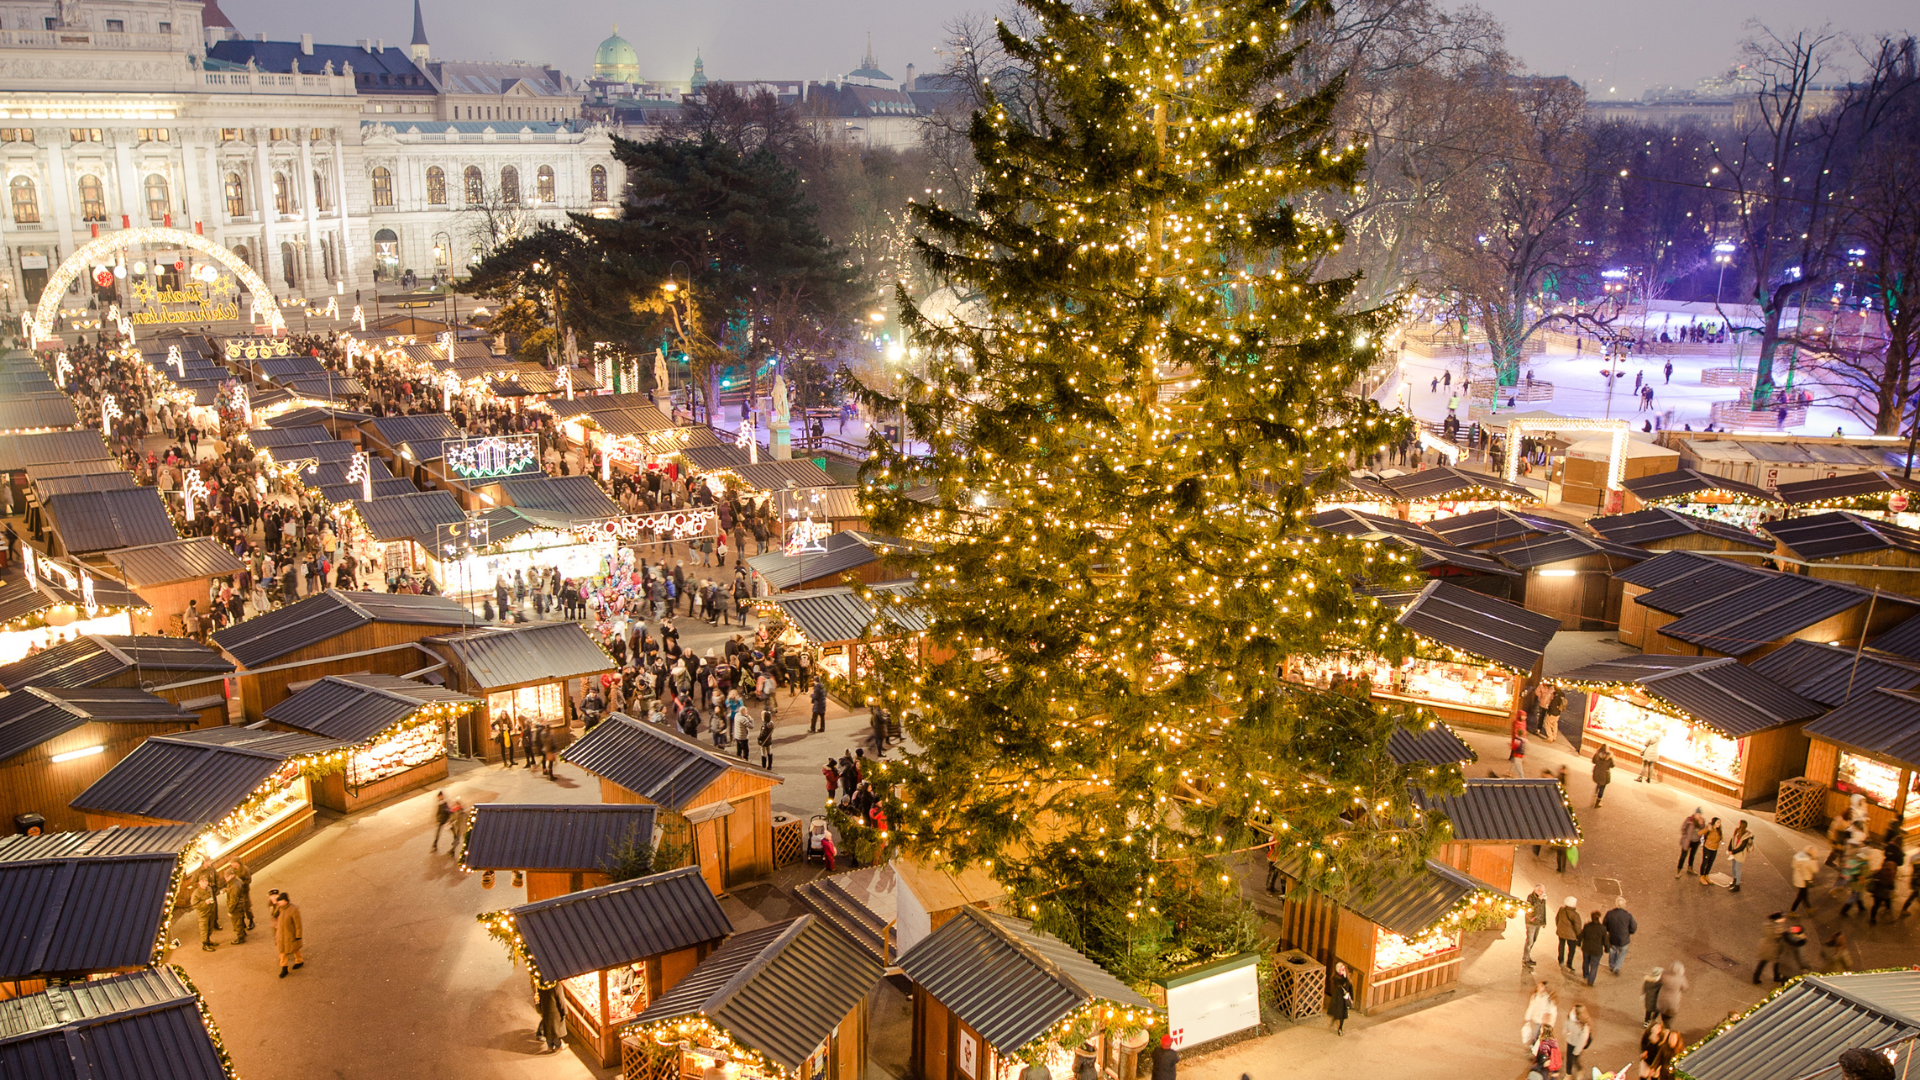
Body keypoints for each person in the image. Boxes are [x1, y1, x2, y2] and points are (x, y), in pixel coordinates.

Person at [1604, 896, 1637, 975]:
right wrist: (1629, 932)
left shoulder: (1609, 914)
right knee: (1622, 953)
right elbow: (1633, 927)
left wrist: (1609, 930)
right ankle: (1617, 967)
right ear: (1624, 905)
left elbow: (1605, 925)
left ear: (1616, 904)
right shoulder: (1628, 915)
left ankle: (1612, 966)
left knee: (1612, 952)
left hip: (1612, 938)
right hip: (1624, 939)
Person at [274, 892, 304, 978]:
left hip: (290, 934)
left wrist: (298, 935)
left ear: (286, 901)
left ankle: (299, 961)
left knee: (295, 948)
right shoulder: (280, 908)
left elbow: (298, 924)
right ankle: (284, 967)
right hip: (281, 934)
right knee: (282, 951)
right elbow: (275, 916)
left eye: (280, 900)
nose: (279, 902)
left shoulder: (293, 910)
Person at [225, 861, 253, 944]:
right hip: (240, 903)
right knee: (240, 919)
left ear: (232, 875)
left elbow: (234, 899)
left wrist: (230, 911)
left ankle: (240, 937)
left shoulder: (234, 885)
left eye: (227, 876)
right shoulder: (236, 881)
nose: (225, 878)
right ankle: (242, 933)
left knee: (236, 922)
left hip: (236, 906)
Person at [1562, 1004, 1593, 1080]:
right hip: (1570, 1041)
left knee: (1575, 1060)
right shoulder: (1570, 1017)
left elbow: (1582, 1040)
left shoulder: (1584, 1026)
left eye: (1574, 1010)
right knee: (1569, 1059)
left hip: (1577, 1045)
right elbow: (1566, 1025)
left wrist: (1577, 1051)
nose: (1572, 1011)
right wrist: (1565, 1032)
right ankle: (1568, 1074)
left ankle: (1580, 1070)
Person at [535, 981, 567, 1053]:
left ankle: (550, 1046)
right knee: (556, 1030)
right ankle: (558, 1045)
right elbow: (561, 1000)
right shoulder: (556, 986)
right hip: (555, 1011)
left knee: (548, 1028)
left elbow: (539, 997)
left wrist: (540, 1009)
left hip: (545, 1009)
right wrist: (564, 1011)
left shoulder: (541, 985)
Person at [1577, 910, 1606, 985]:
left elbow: (1581, 935)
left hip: (1586, 948)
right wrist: (1607, 948)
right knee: (1594, 966)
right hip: (1597, 950)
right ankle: (1591, 981)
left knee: (1586, 962)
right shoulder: (1602, 928)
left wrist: (1579, 943)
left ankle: (1585, 975)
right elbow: (1605, 939)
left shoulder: (1587, 926)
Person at [1522, 884, 1547, 966]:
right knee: (1530, 941)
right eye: (1540, 891)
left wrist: (1544, 921)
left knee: (1534, 940)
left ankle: (1528, 956)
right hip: (1531, 923)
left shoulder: (1542, 898)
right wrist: (1539, 900)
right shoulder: (1531, 897)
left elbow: (1543, 910)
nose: (1542, 893)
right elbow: (1532, 908)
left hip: (1538, 922)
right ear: (1535, 890)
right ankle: (1525, 958)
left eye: (1543, 891)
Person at [1554, 895, 1581, 971]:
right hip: (1571, 935)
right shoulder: (1575, 915)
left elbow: (1557, 919)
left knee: (1561, 945)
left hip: (1561, 932)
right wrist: (1579, 936)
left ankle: (1560, 959)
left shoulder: (1561, 909)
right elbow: (1577, 927)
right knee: (1572, 949)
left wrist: (1559, 927)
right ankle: (1569, 963)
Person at [1675, 808, 1705, 876]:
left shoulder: (1702, 820)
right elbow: (1683, 828)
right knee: (1683, 856)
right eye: (1698, 814)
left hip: (1696, 841)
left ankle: (1690, 868)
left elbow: (1703, 830)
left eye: (1700, 814)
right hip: (1688, 841)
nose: (1699, 816)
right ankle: (1679, 870)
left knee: (1692, 855)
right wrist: (1685, 836)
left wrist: (1701, 824)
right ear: (1695, 814)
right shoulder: (1689, 820)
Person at [1791, 844, 1821, 911]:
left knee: (1804, 895)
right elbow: (1815, 870)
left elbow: (1793, 865)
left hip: (1797, 878)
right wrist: (1814, 860)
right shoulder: (1810, 861)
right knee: (1801, 896)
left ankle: (1809, 908)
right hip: (1804, 880)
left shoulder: (1799, 855)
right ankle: (1792, 911)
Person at [1656, 960, 1686, 1025]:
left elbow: (1659, 982)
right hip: (1673, 1001)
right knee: (1669, 1018)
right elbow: (1685, 987)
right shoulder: (1681, 979)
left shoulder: (1664, 975)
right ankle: (1666, 1029)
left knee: (1663, 1014)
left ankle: (1662, 1024)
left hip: (1662, 999)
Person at [1726, 820, 1754, 892]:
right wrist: (1729, 848)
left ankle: (1737, 885)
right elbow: (1732, 839)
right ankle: (1734, 880)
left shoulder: (1746, 835)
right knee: (1733, 867)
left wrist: (1733, 851)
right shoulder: (1736, 831)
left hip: (1739, 854)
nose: (1737, 823)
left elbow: (1742, 847)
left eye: (1739, 823)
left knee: (1737, 869)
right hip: (1734, 852)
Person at [192, 879, 219, 952]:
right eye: (203, 881)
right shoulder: (196, 893)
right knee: (204, 929)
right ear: (199, 883)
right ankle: (205, 945)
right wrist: (205, 903)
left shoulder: (209, 888)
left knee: (210, 927)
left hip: (211, 912)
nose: (205, 883)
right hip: (203, 914)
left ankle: (208, 940)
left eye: (206, 881)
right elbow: (194, 904)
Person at [1327, 961, 1353, 1034]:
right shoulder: (1336, 977)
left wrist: (1351, 997)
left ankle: (1340, 1028)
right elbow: (1339, 984)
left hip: (1344, 999)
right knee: (1337, 1011)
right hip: (1338, 997)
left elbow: (1350, 987)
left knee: (1342, 1014)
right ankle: (1335, 1019)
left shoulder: (1347, 977)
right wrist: (1344, 977)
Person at [1699, 816, 1724, 883]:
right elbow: (1701, 833)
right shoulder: (1709, 829)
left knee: (1710, 863)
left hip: (1715, 848)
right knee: (1705, 862)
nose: (1719, 824)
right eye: (1718, 822)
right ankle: (1702, 876)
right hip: (1707, 847)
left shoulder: (1719, 830)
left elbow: (1721, 837)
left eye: (1720, 823)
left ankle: (1706, 875)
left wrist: (1720, 841)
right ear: (1714, 823)